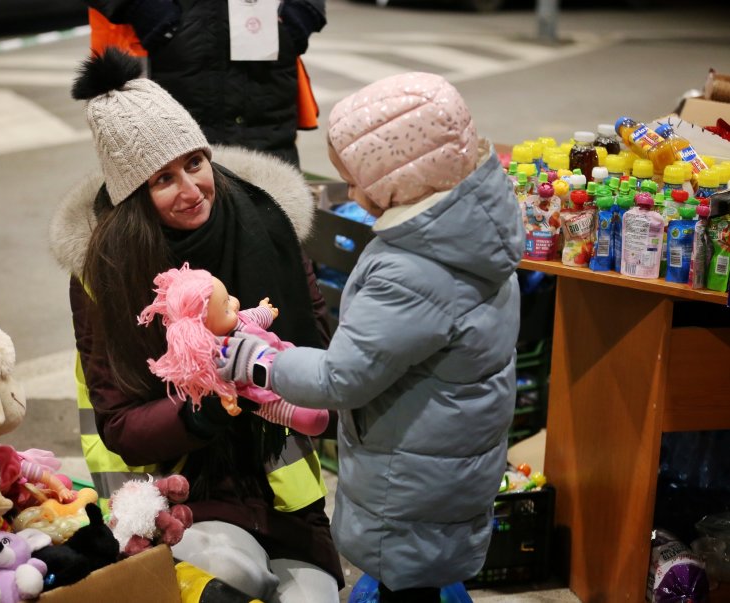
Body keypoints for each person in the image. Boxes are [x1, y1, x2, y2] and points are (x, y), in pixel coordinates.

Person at [49, 48, 342, 602]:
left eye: (194, 163)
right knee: (233, 575)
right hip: (178, 488)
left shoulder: (267, 228)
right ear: (134, 195)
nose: (191, 189)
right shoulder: (105, 274)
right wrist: (203, 404)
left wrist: (265, 365)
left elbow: (321, 358)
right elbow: (119, 423)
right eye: (163, 179)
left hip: (282, 489)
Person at [217, 72, 524, 603]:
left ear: (403, 178)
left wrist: (259, 362)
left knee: (408, 582)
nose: (353, 193)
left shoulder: (414, 270)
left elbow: (342, 378)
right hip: (445, 458)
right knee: (422, 572)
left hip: (409, 480)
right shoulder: (472, 235)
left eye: (359, 179)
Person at [81, 0, 326, 167]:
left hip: (263, 60)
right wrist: (143, 8)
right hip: (163, 58)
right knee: (164, 209)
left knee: (269, 204)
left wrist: (301, 12)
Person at [137, 263, 330, 436]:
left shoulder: (239, 320)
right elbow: (218, 382)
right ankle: (310, 417)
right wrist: (226, 397)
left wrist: (266, 311)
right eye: (226, 308)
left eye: (228, 297)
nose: (235, 303)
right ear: (203, 328)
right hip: (260, 392)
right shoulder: (218, 353)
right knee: (303, 415)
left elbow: (254, 317)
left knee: (308, 377)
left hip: (281, 356)